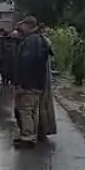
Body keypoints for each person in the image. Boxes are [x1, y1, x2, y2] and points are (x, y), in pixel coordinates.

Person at [12, 16, 52, 148]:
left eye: (23, 25)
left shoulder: (31, 42)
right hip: (37, 83)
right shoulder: (39, 40)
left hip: (29, 84)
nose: (21, 27)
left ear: (29, 26)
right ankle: (31, 135)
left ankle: (28, 137)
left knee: (26, 110)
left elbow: (27, 64)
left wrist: (22, 84)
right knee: (33, 110)